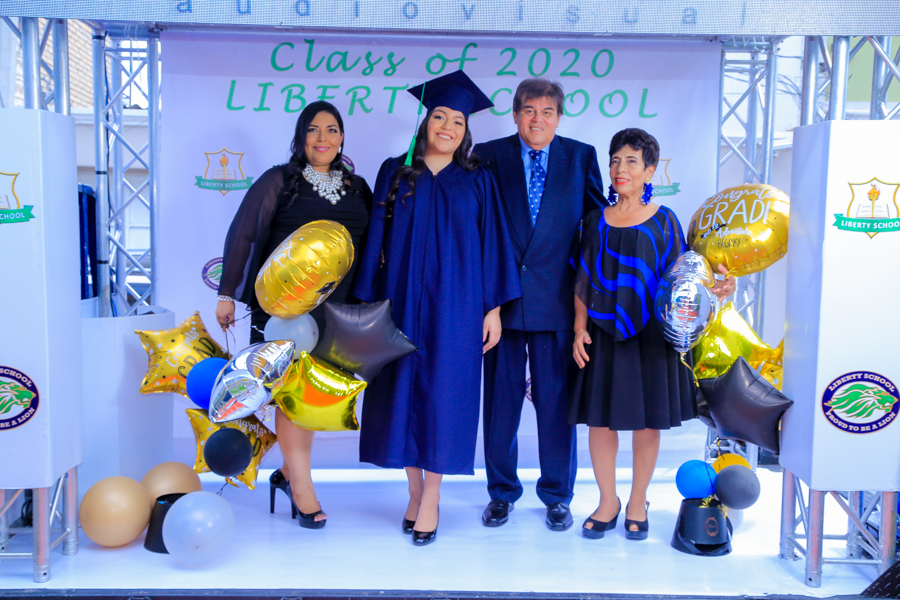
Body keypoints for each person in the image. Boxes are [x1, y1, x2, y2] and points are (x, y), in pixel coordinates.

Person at [353, 70, 522, 546]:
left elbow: (493, 244)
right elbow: (375, 239)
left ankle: (432, 498)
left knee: (445, 399)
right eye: (440, 117)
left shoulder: (478, 179)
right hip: (400, 302)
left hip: (456, 305)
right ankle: (413, 492)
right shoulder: (394, 171)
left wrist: (492, 309)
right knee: (400, 397)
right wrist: (367, 301)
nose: (448, 127)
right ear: (425, 122)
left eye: (458, 122)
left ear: (467, 132)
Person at [570, 127, 734, 540]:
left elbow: (686, 278)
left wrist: (716, 288)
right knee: (600, 423)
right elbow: (581, 279)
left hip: (651, 334)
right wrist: (578, 328)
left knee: (646, 423)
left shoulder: (665, 220)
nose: (620, 169)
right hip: (602, 332)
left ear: (650, 170)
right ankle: (607, 501)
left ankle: (637, 500)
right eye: (615, 160)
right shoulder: (593, 220)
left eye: (631, 161)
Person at [215, 101, 372, 529]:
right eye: (314, 129)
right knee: (291, 396)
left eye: (332, 129)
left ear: (342, 137)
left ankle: (287, 474)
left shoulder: (358, 187)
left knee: (312, 398)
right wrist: (227, 293)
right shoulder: (280, 181)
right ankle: (303, 489)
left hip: (337, 311)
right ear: (301, 136)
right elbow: (243, 233)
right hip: (284, 312)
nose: (323, 138)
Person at [473, 78, 605, 531]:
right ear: (515, 115)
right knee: (500, 406)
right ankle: (501, 493)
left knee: (556, 406)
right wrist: (486, 299)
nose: (537, 119)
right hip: (502, 303)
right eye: (529, 110)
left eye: (547, 111)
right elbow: (477, 226)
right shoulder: (488, 155)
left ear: (559, 118)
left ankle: (557, 495)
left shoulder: (581, 157)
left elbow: (597, 228)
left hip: (559, 303)